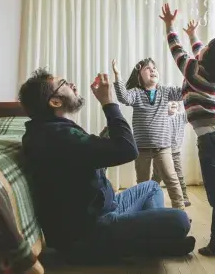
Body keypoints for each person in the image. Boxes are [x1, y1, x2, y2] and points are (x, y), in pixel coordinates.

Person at [18, 68, 195, 265]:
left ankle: (151, 239)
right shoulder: (59, 137)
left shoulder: (51, 132)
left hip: (106, 209)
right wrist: (108, 102)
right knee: (180, 220)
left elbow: (92, 153)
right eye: (65, 83)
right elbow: (128, 150)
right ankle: (153, 240)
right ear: (55, 101)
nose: (73, 85)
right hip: (89, 234)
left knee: (152, 187)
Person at [159, 3, 215, 256]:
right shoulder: (211, 74)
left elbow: (177, 52)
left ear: (207, 59)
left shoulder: (194, 72)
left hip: (212, 141)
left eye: (205, 48)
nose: (201, 48)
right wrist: (193, 36)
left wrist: (170, 26)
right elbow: (198, 51)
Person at [112, 58, 186, 210]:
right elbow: (123, 97)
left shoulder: (165, 92)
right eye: (148, 68)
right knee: (143, 184)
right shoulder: (136, 93)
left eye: (154, 68)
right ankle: (146, 213)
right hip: (142, 149)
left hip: (163, 147)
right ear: (139, 76)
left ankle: (180, 212)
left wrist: (189, 74)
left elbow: (182, 92)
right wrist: (118, 75)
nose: (153, 70)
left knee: (172, 180)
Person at [152, 101, 191, 207]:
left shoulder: (181, 116)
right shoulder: (160, 117)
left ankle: (184, 197)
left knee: (179, 175)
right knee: (157, 176)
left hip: (175, 152)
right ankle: (149, 197)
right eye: (170, 101)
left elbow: (190, 111)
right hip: (161, 152)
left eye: (176, 101)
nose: (174, 103)